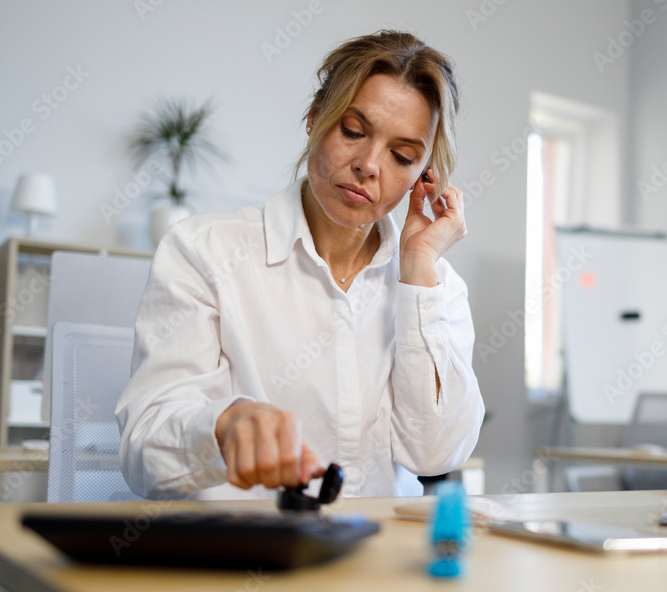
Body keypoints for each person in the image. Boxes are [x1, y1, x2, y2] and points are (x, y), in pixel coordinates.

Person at [116, 30, 485, 500]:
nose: (369, 165)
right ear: (315, 119)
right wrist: (224, 425)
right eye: (353, 131)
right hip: (242, 555)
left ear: (423, 177)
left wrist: (416, 274)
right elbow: (142, 446)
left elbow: (435, 455)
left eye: (402, 156)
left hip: (376, 561)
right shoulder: (203, 252)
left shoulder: (434, 287)